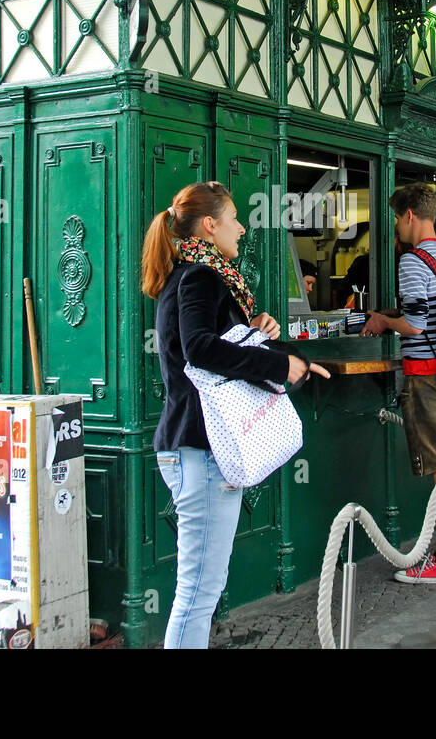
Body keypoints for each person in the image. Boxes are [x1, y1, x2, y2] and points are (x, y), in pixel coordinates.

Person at [142, 180, 330, 648]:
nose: (242, 229)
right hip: (201, 448)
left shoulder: (194, 274)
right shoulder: (201, 275)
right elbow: (201, 351)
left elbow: (212, 345)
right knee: (199, 593)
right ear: (210, 225)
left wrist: (256, 331)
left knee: (202, 589)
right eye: (233, 219)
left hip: (195, 446)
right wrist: (280, 364)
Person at [361, 184, 436, 584]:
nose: (395, 225)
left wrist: (382, 322)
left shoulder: (412, 260)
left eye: (395, 217)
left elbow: (415, 324)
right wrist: (393, 313)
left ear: (410, 215)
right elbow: (435, 311)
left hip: (427, 379)